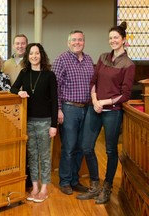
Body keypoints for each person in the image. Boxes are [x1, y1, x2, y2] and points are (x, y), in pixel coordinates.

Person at [76, 22, 135, 204]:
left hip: (112, 112)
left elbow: (125, 94)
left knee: (110, 150)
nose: (113, 40)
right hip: (96, 109)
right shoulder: (102, 58)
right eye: (110, 38)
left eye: (116, 37)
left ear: (123, 40)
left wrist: (104, 102)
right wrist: (94, 100)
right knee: (86, 146)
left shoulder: (128, 64)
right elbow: (93, 81)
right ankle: (95, 185)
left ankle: (107, 187)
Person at [10, 43, 58, 203]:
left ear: (41, 55)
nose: (34, 56)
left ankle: (44, 188)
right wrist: (20, 92)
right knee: (31, 155)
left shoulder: (49, 75)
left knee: (44, 156)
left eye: (37, 53)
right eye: (31, 53)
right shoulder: (24, 73)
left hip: (45, 122)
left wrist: (53, 125)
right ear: (28, 56)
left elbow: (54, 102)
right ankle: (35, 187)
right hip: (28, 121)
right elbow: (13, 88)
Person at [52, 30, 94, 195]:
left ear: (84, 42)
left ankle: (75, 180)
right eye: (74, 40)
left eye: (80, 40)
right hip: (68, 109)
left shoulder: (89, 59)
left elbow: (93, 84)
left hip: (87, 109)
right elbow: (54, 88)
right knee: (69, 147)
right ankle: (65, 181)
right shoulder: (61, 59)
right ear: (68, 43)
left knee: (81, 147)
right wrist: (58, 110)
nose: (77, 42)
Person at [3, 34, 32, 188]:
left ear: (26, 45)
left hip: (26, 104)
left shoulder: (30, 62)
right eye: (17, 43)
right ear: (13, 45)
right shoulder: (5, 64)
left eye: (23, 43)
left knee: (25, 140)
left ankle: (26, 175)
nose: (20, 46)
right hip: (9, 107)